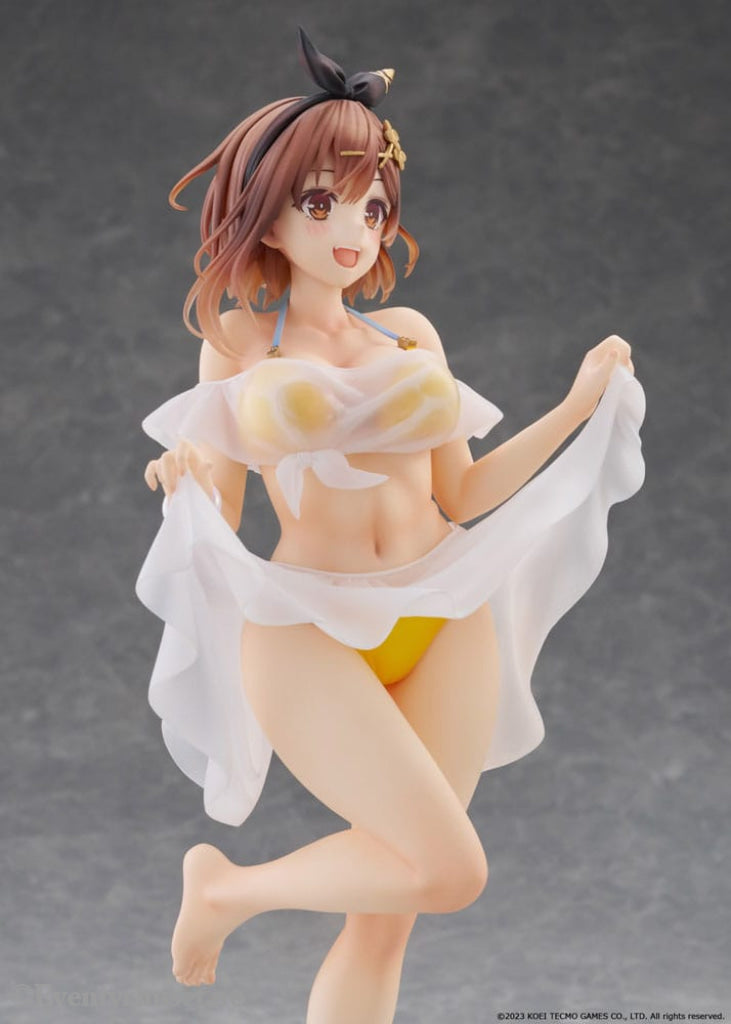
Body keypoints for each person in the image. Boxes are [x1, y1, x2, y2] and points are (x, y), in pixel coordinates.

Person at [136, 28, 645, 1023]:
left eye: (370, 206)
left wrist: (576, 405)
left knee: (386, 919)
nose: (351, 229)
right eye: (319, 202)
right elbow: (222, 504)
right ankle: (229, 891)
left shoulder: (408, 334)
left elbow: (462, 492)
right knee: (447, 869)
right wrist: (180, 476)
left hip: (443, 609)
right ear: (266, 209)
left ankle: (230, 893)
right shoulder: (235, 342)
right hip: (307, 628)